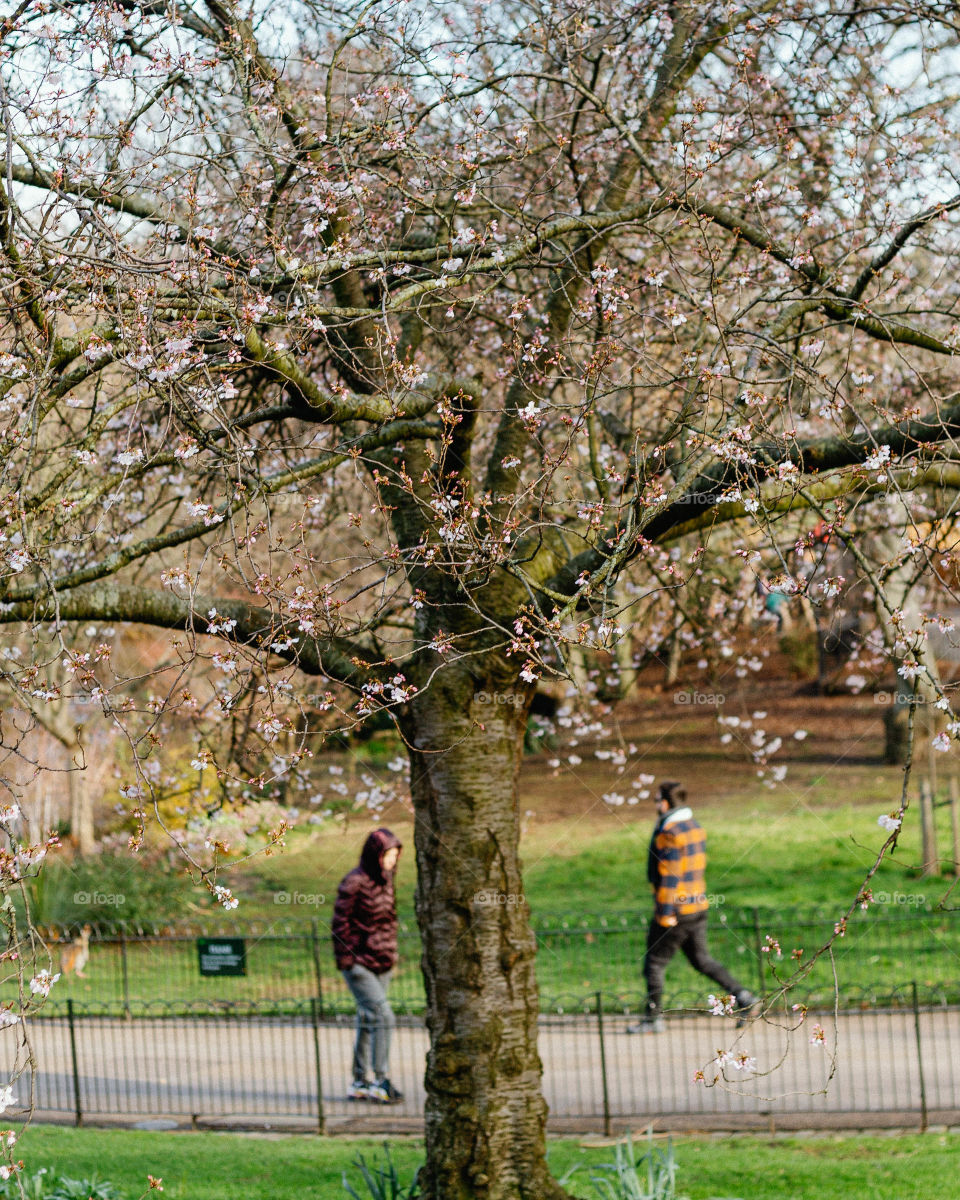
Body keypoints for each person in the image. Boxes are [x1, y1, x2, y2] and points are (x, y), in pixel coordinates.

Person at [628, 781, 759, 1033]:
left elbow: (670, 876)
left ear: (666, 802)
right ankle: (744, 997)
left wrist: (665, 914)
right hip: (697, 905)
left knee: (654, 963)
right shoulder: (694, 827)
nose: (656, 805)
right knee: (702, 960)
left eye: (657, 800)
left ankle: (652, 1018)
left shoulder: (669, 832)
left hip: (675, 909)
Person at [332, 827, 404, 1102]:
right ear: (375, 854)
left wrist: (390, 956)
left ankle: (360, 1080)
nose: (392, 861)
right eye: (388, 855)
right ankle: (381, 1080)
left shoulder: (386, 879)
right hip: (359, 964)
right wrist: (349, 960)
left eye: (396, 855)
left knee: (368, 1018)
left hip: (382, 962)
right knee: (384, 1016)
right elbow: (340, 924)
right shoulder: (354, 881)